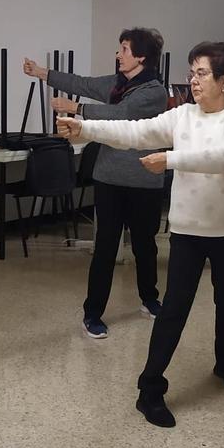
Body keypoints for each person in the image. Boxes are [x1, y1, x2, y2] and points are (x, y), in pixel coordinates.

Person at [58, 42, 224, 428]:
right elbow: (136, 131)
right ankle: (149, 389)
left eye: (201, 74)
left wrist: (170, 159)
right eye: (191, 72)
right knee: (174, 310)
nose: (193, 81)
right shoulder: (183, 115)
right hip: (189, 230)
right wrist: (85, 127)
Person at [23, 27, 168, 340]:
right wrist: (42, 72)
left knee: (145, 245)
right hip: (110, 179)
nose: (118, 54)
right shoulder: (117, 84)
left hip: (144, 179)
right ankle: (92, 314)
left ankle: (150, 299)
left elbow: (122, 115)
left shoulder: (154, 91)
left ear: (141, 56)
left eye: (125, 49)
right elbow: (82, 83)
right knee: (105, 246)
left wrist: (75, 109)